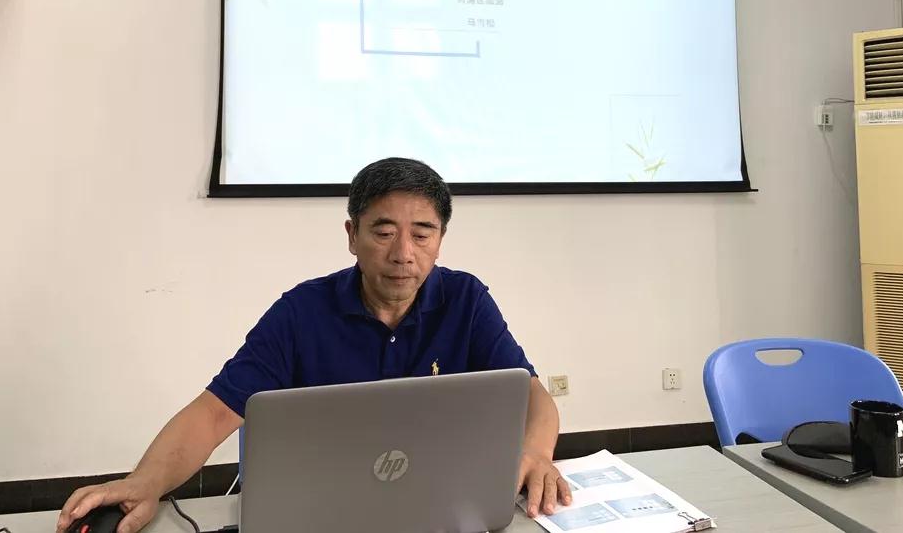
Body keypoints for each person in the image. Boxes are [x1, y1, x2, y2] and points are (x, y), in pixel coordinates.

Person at [56, 157, 571, 533]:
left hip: (437, 509)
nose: (403, 253)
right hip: (321, 516)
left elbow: (532, 395)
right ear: (352, 235)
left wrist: (535, 453)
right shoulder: (303, 312)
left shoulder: (466, 300)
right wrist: (146, 482)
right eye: (384, 232)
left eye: (422, 234)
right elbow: (214, 412)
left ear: (440, 240)